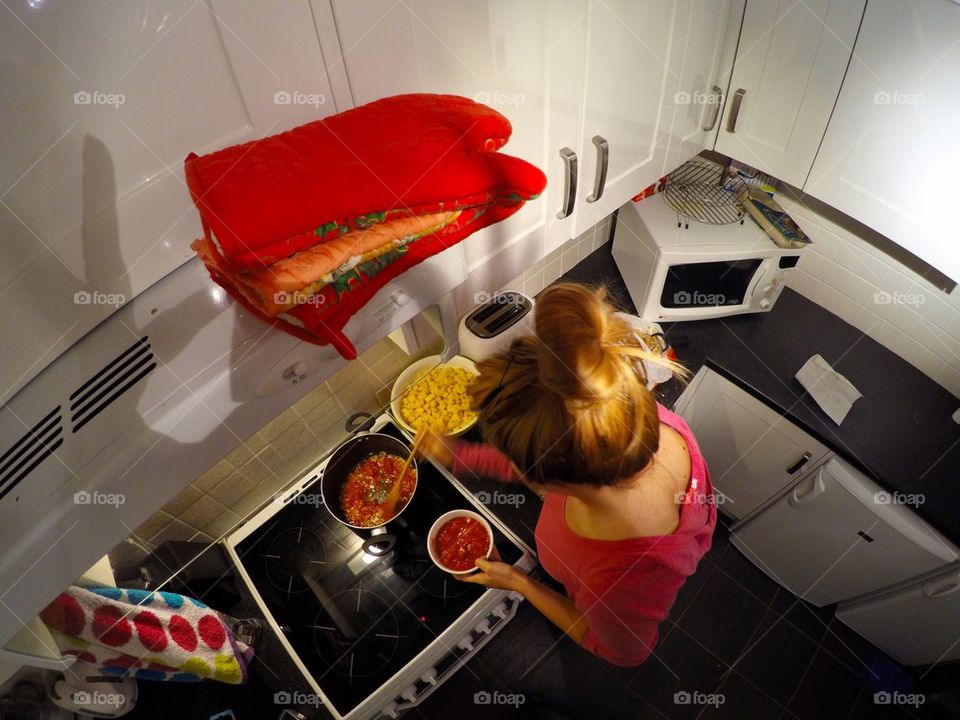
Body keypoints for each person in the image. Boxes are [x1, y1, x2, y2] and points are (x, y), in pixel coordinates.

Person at [418, 283, 716, 667]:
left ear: (549, 480)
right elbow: (547, 455)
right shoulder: (628, 417)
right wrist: (461, 455)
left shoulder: (619, 580)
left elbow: (625, 653)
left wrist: (520, 583)